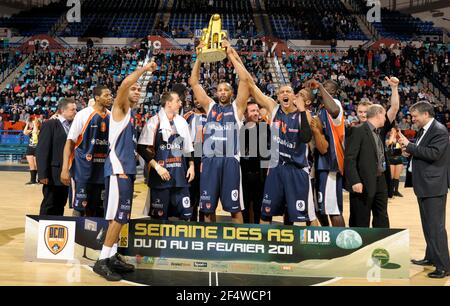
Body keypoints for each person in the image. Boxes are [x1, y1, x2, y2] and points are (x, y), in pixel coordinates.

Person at [93, 61, 157, 282]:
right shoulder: (119, 107)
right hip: (118, 169)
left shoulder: (129, 113)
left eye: (140, 89)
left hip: (126, 170)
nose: (137, 91)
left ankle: (111, 256)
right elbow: (125, 83)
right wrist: (144, 69)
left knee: (119, 217)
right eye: (135, 89)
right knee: (119, 216)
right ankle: (102, 261)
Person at [189, 39, 250, 224]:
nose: (222, 92)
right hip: (210, 160)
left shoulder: (237, 108)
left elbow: (245, 80)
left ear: (231, 93)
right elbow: (194, 82)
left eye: (226, 90)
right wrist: (199, 57)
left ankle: (237, 242)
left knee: (235, 209)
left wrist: (230, 53)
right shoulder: (210, 106)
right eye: (219, 90)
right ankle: (210, 243)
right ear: (216, 93)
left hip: (230, 160)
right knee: (207, 208)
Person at [398, 102, 450, 279]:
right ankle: (431, 257)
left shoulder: (439, 130)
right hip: (425, 184)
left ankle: (444, 266)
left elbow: (434, 153)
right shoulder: (425, 129)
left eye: (415, 116)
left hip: (434, 186)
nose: (413, 119)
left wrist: (410, 146)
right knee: (428, 225)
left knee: (436, 227)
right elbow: (423, 151)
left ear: (426, 114)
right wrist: (409, 151)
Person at [138, 92, 195, 221]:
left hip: (181, 177)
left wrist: (191, 166)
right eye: (178, 101)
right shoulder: (154, 121)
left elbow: (188, 147)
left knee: (186, 217)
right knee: (160, 219)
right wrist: (157, 167)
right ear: (168, 103)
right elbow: (141, 148)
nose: (181, 103)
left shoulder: (182, 122)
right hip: (160, 180)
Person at [60, 86, 113, 217]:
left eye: (110, 95)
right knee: (79, 208)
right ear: (97, 98)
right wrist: (65, 169)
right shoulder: (83, 114)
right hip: (83, 170)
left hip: (103, 171)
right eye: (106, 95)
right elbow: (70, 143)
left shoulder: (111, 116)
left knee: (100, 210)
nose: (110, 97)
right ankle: (75, 237)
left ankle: (98, 237)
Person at [345, 104, 391, 228]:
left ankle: (382, 244)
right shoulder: (357, 130)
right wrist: (355, 181)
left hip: (380, 180)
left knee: (382, 216)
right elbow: (349, 159)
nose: (385, 118)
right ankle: (359, 247)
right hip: (363, 182)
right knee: (361, 218)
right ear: (378, 114)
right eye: (384, 115)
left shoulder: (378, 132)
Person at [307, 79, 346, 227]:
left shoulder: (335, 105)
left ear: (333, 92)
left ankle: (341, 242)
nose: (321, 89)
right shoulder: (321, 109)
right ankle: (327, 236)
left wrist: (321, 87)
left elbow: (334, 110)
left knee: (333, 209)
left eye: (326, 87)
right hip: (320, 162)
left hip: (331, 163)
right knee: (320, 208)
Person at [36, 98, 77, 216]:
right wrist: (42, 174)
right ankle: (43, 229)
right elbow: (42, 150)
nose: (75, 111)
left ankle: (56, 229)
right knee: (49, 203)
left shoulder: (73, 125)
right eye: (72, 109)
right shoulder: (50, 124)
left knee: (61, 204)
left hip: (67, 172)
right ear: (62, 111)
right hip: (52, 174)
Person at [240, 100, 270, 224]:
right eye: (253, 111)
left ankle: (258, 234)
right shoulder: (239, 128)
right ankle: (246, 233)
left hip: (260, 175)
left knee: (259, 207)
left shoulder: (265, 128)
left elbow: (269, 152)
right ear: (245, 114)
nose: (256, 113)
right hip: (243, 175)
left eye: (257, 110)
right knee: (244, 207)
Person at [183, 99, 208, 222]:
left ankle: (204, 222)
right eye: (195, 98)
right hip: (193, 155)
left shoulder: (211, 115)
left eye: (200, 97)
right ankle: (191, 220)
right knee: (191, 191)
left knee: (205, 192)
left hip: (207, 156)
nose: (198, 100)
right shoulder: (188, 116)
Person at [386, 128, 404, 197]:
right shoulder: (387, 138)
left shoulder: (398, 140)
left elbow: (400, 150)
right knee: (391, 177)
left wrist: (399, 134)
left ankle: (396, 191)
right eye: (392, 130)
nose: (393, 132)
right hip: (390, 159)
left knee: (396, 177)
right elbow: (389, 143)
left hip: (398, 159)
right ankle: (390, 191)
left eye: (395, 131)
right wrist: (393, 134)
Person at [23, 117, 42, 185]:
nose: (32, 124)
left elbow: (35, 132)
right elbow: (24, 132)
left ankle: (40, 179)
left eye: (33, 123)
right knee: (31, 165)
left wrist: (35, 124)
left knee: (37, 165)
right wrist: (27, 124)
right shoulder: (30, 130)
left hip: (38, 148)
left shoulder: (40, 130)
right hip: (30, 148)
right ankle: (32, 180)